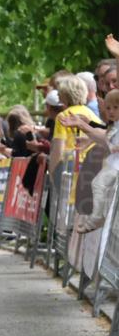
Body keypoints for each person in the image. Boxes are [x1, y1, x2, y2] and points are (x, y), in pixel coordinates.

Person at [57, 89, 119, 232]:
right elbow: (106, 136)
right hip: (113, 163)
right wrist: (90, 138)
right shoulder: (114, 125)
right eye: (108, 108)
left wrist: (84, 126)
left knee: (99, 184)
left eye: (115, 107)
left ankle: (97, 217)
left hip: (115, 165)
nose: (111, 111)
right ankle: (97, 216)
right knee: (98, 184)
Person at [50, 74, 103, 179]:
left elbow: (58, 149)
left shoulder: (63, 116)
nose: (57, 95)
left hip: (68, 166)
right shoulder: (92, 115)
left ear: (65, 94)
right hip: (90, 166)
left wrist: (52, 172)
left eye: (59, 92)